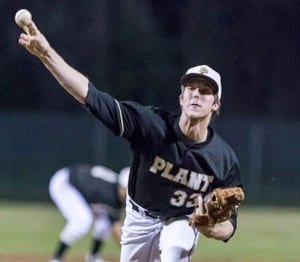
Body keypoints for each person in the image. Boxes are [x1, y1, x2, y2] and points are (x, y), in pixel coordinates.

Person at [18, 21, 243, 262]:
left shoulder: (223, 158)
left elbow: (230, 225)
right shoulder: (151, 125)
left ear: (216, 104)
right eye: (191, 87)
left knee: (175, 249)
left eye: (206, 90)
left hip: (182, 221)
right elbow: (91, 97)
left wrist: (211, 228)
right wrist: (47, 54)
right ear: (181, 97)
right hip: (139, 220)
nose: (196, 93)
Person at [48, 164, 130, 262]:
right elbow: (116, 230)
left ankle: (93, 257)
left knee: (104, 223)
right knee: (82, 220)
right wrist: (130, 254)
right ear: (122, 186)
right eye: (127, 190)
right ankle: (56, 258)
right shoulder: (109, 195)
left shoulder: (114, 189)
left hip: (79, 187)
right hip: (65, 183)